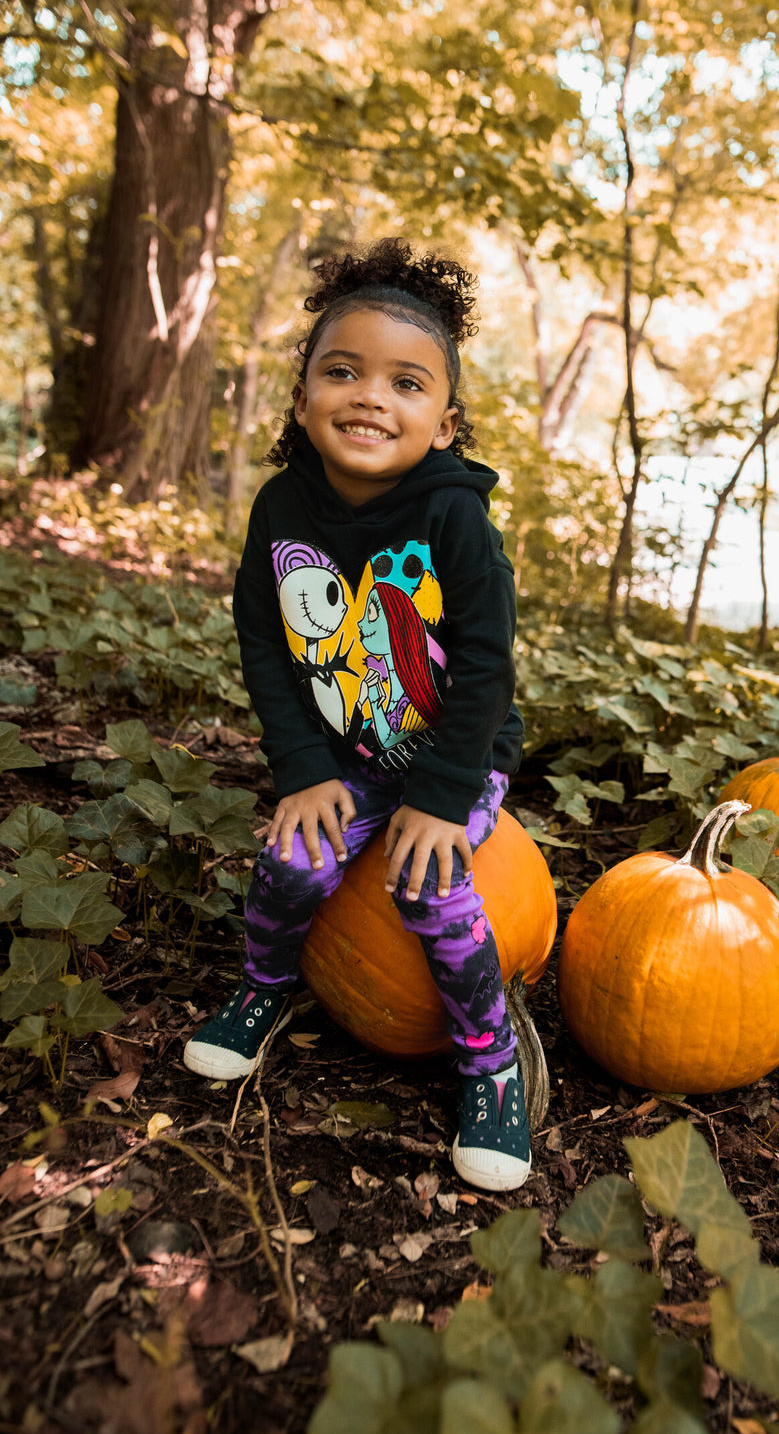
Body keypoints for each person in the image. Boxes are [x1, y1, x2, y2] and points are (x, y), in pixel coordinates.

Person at [183, 238, 530, 1193]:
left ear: (445, 424)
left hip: (453, 758)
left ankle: (488, 1061)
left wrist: (444, 796)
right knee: (289, 866)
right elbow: (264, 639)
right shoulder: (281, 510)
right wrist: (300, 766)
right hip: (344, 756)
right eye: (344, 372)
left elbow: (490, 668)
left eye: (406, 383)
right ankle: (262, 992)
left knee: (428, 890)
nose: (372, 396)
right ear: (303, 401)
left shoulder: (455, 519)